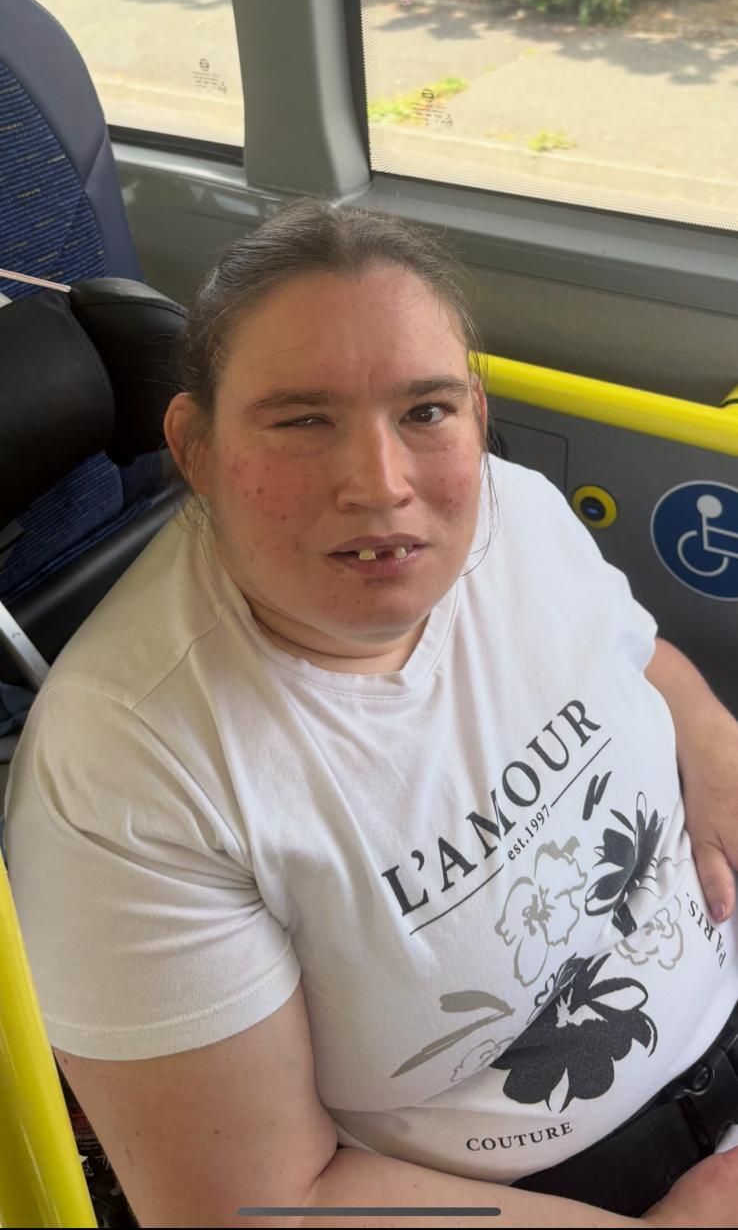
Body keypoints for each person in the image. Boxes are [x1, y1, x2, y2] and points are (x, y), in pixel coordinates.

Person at [5, 201, 738, 1230]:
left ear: (477, 413)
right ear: (195, 444)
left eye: (426, 411)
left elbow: (637, 656)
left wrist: (710, 733)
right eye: (302, 419)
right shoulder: (127, 776)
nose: (382, 483)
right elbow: (255, 1202)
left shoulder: (514, 511)